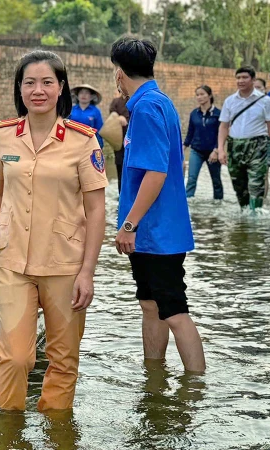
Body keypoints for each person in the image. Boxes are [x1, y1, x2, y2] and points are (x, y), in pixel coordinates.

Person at [0, 50, 107, 411]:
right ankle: (9, 429)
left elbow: (96, 209)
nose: (37, 90)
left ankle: (56, 427)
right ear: (20, 88)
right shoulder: (4, 136)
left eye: (47, 82)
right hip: (10, 258)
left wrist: (87, 272)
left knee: (63, 359)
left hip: (65, 263)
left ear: (61, 88)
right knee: (15, 357)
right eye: (29, 82)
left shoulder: (83, 140)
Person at [111, 37, 205, 373]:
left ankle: (196, 389)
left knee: (175, 312)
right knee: (150, 305)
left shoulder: (147, 108)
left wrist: (129, 225)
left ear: (118, 74)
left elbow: (156, 173)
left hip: (155, 231)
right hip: (155, 231)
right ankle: (155, 378)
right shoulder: (159, 102)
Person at [217, 66, 270, 211]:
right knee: (239, 187)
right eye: (238, 78)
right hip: (235, 146)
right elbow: (223, 126)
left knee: (256, 185)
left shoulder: (265, 101)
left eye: (244, 78)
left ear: (253, 80)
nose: (241, 81)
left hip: (258, 146)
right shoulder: (230, 101)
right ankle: (245, 217)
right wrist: (221, 149)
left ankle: (255, 220)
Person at [183, 85, 223, 200]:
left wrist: (216, 150)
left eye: (202, 94)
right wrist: (183, 147)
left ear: (209, 95)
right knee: (191, 179)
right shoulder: (194, 113)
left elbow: (221, 135)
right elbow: (190, 133)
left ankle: (218, 204)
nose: (199, 97)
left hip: (213, 152)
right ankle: (188, 203)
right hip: (196, 151)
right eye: (197, 95)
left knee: (216, 181)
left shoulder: (218, 114)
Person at [254, 78, 270, 199]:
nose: (256, 90)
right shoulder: (242, 103)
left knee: (263, 174)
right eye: (254, 87)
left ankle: (262, 201)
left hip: (265, 142)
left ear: (265, 89)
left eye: (259, 87)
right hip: (247, 143)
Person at [108, 96, 130, 191]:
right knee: (120, 169)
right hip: (119, 142)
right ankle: (121, 195)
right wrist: (118, 117)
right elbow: (112, 115)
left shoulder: (138, 101)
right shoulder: (116, 102)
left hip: (134, 143)